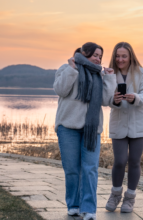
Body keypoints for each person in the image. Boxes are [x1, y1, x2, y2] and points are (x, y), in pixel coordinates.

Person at [53, 42, 116, 220]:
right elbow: (60, 90)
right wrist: (72, 70)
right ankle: (73, 205)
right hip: (68, 127)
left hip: (91, 130)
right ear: (84, 53)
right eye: (95, 55)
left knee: (90, 169)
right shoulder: (66, 68)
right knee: (72, 169)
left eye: (100, 57)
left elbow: (105, 100)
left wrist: (110, 79)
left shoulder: (99, 75)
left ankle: (88, 209)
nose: (98, 59)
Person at [105, 42, 143, 213]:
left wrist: (135, 98)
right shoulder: (110, 74)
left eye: (124, 56)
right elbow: (105, 97)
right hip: (118, 122)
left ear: (130, 56)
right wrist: (114, 100)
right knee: (119, 161)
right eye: (117, 56)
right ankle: (115, 194)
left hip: (138, 123)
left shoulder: (142, 73)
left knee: (134, 161)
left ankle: (130, 198)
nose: (120, 59)